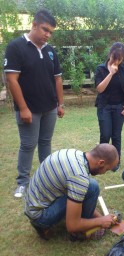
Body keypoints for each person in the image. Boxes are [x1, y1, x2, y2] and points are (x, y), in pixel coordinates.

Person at [4, 9, 64, 198]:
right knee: (28, 145)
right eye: (45, 30)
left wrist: (60, 104)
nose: (48, 35)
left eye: (51, 32)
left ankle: (46, 177)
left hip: (50, 108)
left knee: (45, 143)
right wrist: (23, 108)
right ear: (34, 25)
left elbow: (57, 79)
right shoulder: (16, 47)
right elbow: (12, 80)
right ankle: (23, 182)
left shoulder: (50, 51)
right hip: (29, 110)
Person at [24, 143, 119, 240]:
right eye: (107, 169)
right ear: (101, 163)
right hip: (40, 215)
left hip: (32, 204)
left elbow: (79, 194)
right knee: (92, 187)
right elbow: (72, 225)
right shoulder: (79, 177)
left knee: (92, 186)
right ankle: (79, 232)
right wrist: (100, 222)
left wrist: (102, 217)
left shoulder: (75, 154)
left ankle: (84, 222)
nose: (104, 173)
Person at [95, 42, 124, 172]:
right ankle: (101, 160)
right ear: (110, 54)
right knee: (105, 135)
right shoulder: (101, 69)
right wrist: (110, 73)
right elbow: (100, 89)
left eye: (120, 59)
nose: (116, 61)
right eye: (114, 58)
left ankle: (116, 161)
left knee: (116, 136)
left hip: (119, 107)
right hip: (104, 106)